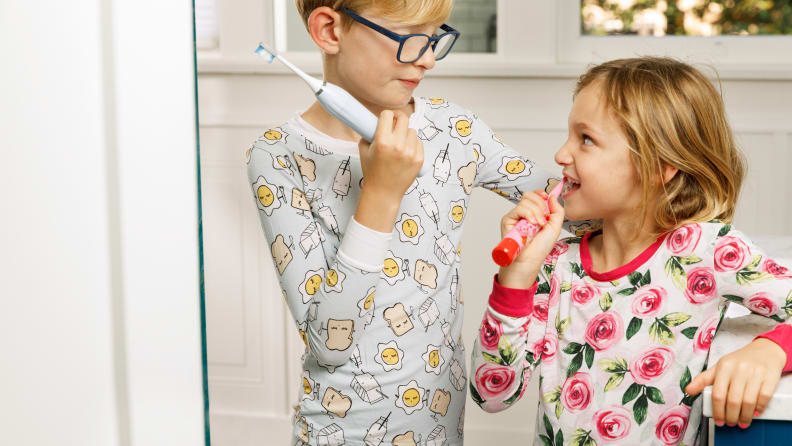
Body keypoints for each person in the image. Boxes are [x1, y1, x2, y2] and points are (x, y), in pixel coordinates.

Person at [245, 1, 587, 444]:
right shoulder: (277, 156)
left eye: (434, 37)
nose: (426, 58)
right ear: (330, 31)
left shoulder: (454, 129)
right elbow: (331, 343)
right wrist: (382, 193)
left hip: (441, 429)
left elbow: (577, 209)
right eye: (409, 38)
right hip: (338, 433)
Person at [469, 57, 792, 446]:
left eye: (585, 139)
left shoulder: (706, 251)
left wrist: (770, 351)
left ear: (658, 167)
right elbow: (491, 395)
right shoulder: (554, 266)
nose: (560, 154)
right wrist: (517, 274)